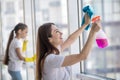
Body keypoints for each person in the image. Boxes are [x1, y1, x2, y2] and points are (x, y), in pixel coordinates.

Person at [36, 14, 101, 80]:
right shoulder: (50, 59)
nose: (61, 33)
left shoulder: (56, 51)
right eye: (57, 31)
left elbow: (70, 39)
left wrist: (85, 25)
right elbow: (83, 56)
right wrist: (93, 32)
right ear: (49, 39)